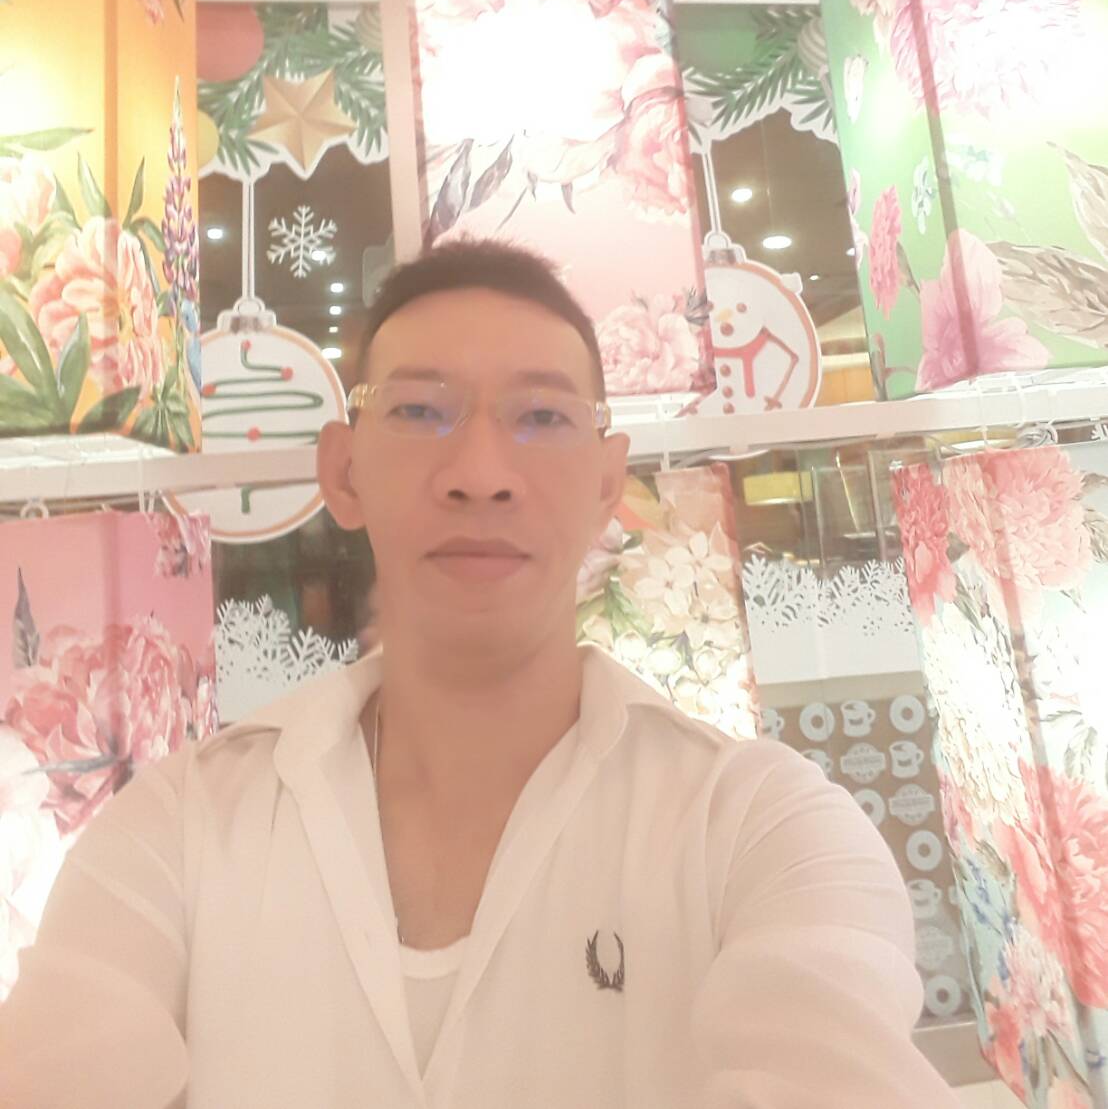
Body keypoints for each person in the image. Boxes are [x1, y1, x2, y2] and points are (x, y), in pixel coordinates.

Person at [0, 238, 960, 1108]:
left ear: (606, 481)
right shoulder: (179, 831)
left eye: (542, 415)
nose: (482, 472)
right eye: (420, 411)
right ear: (344, 471)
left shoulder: (759, 829)